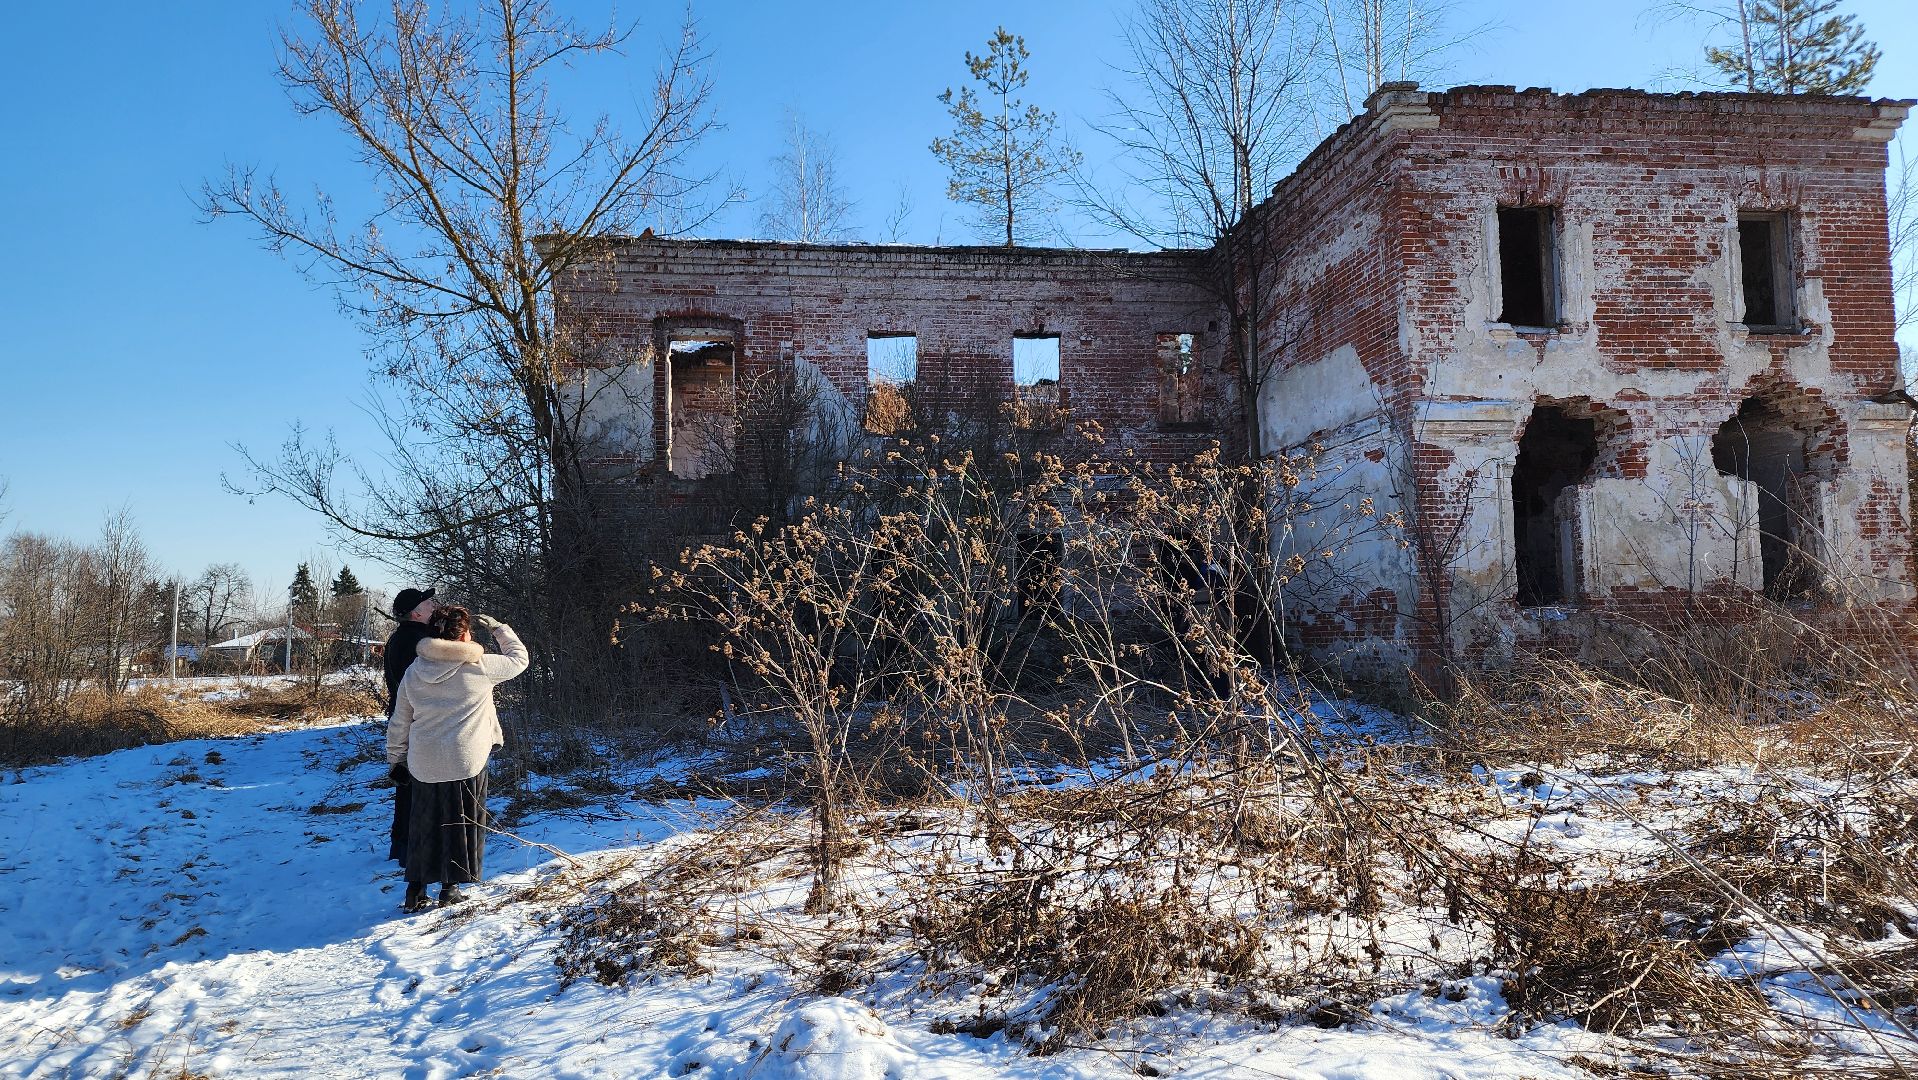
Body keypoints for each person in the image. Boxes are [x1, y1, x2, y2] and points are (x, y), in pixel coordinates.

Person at [387, 605, 528, 912]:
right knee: (460, 823)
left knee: (424, 825)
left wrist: (396, 759)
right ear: (464, 634)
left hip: (423, 761)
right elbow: (520, 658)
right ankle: (449, 888)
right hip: (467, 760)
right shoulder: (480, 665)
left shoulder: (415, 671)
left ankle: (415, 890)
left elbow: (401, 720)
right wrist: (500, 627)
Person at [382, 587, 438, 866]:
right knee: (419, 785)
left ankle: (403, 845)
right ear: (416, 612)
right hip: (418, 722)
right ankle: (414, 848)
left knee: (407, 784)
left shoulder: (398, 638)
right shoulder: (420, 642)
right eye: (429, 603)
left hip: (403, 719)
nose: (434, 606)